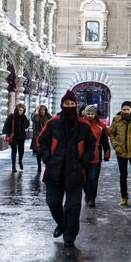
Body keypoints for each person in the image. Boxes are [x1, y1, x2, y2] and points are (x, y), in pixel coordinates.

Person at [38, 91, 96, 247]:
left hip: (75, 171)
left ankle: (70, 236)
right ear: (62, 105)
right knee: (53, 202)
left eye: (72, 104)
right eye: (66, 104)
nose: (69, 106)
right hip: (55, 170)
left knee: (73, 206)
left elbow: (92, 144)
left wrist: (84, 161)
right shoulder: (52, 122)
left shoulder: (83, 125)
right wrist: (47, 158)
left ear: (76, 105)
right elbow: (42, 141)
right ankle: (62, 224)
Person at [80, 105, 110, 208]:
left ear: (95, 114)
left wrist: (107, 152)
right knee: (84, 178)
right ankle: (88, 195)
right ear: (85, 113)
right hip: (82, 155)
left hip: (96, 156)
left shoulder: (101, 126)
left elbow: (105, 141)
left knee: (93, 178)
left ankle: (91, 198)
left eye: (92, 113)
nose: (90, 115)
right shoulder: (79, 124)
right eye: (88, 113)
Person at [3, 103, 30, 172]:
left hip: (21, 137)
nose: (21, 112)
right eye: (20, 110)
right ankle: (13, 167)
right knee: (14, 151)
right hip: (14, 137)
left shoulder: (24, 117)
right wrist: (8, 133)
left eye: (23, 110)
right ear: (17, 110)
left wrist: (26, 121)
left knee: (21, 151)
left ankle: (20, 161)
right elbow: (6, 125)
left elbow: (27, 126)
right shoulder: (12, 116)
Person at [31, 105, 52, 173]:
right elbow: (35, 119)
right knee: (38, 153)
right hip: (38, 136)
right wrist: (36, 111)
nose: (42, 111)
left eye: (44, 110)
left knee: (46, 152)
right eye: (41, 110)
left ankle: (46, 166)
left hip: (46, 136)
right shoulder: (37, 116)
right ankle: (39, 166)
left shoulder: (48, 116)